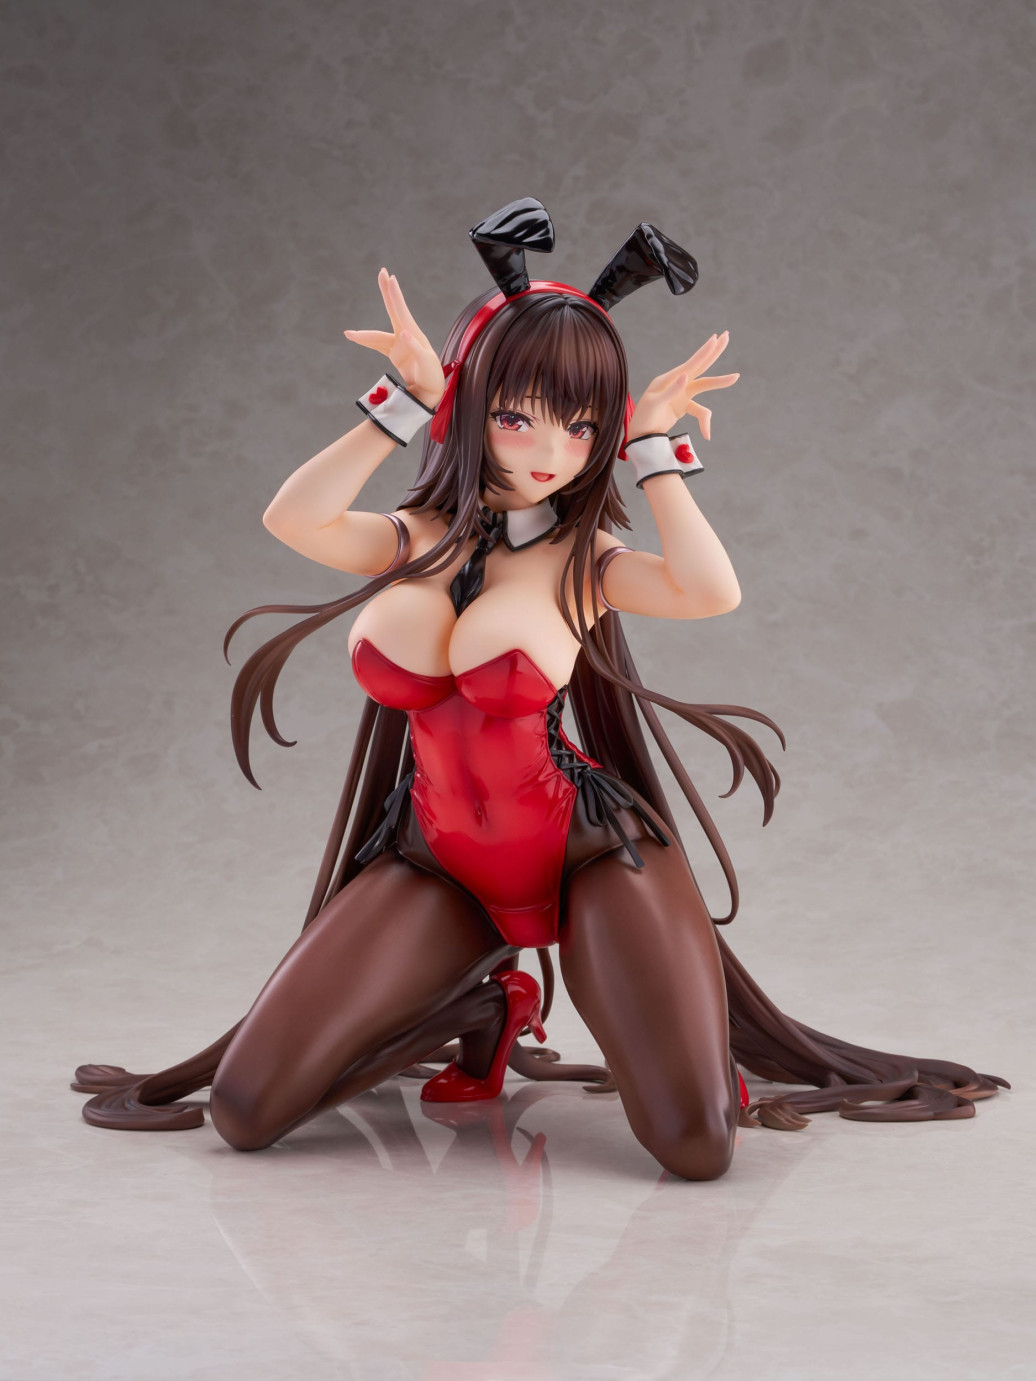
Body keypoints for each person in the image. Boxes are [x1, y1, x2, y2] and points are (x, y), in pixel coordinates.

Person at [73, 200, 1004, 1180]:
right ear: (470, 405)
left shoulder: (586, 559)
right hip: (436, 862)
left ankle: (644, 1039)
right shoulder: (417, 538)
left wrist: (652, 449)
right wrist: (402, 402)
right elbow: (293, 517)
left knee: (693, 1145)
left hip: (592, 856)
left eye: (581, 424)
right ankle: (488, 1003)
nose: (548, 451)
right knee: (245, 1109)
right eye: (515, 416)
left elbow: (710, 590)